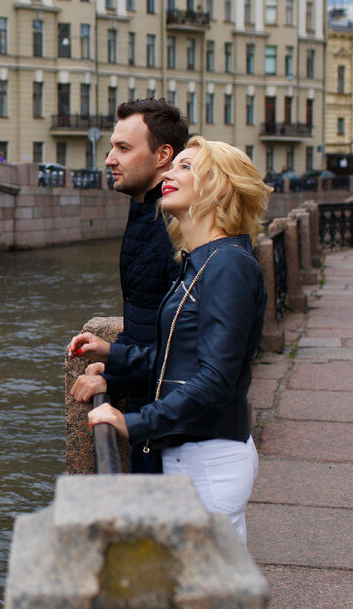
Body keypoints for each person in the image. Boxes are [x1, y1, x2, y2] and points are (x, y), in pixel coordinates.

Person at [70, 137, 271, 541]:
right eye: (172, 165)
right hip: (192, 453)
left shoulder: (227, 265)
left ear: (219, 186)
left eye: (184, 166)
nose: (168, 173)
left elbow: (216, 378)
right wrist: (116, 359)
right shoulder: (202, 261)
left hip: (208, 459)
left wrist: (133, 422)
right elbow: (177, 359)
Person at [69, 98, 187, 474]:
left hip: (167, 428)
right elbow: (152, 323)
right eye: (110, 147)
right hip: (154, 415)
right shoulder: (149, 215)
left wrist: (113, 369)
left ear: (162, 155)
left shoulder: (170, 229)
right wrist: (112, 363)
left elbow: (182, 352)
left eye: (123, 148)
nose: (109, 159)